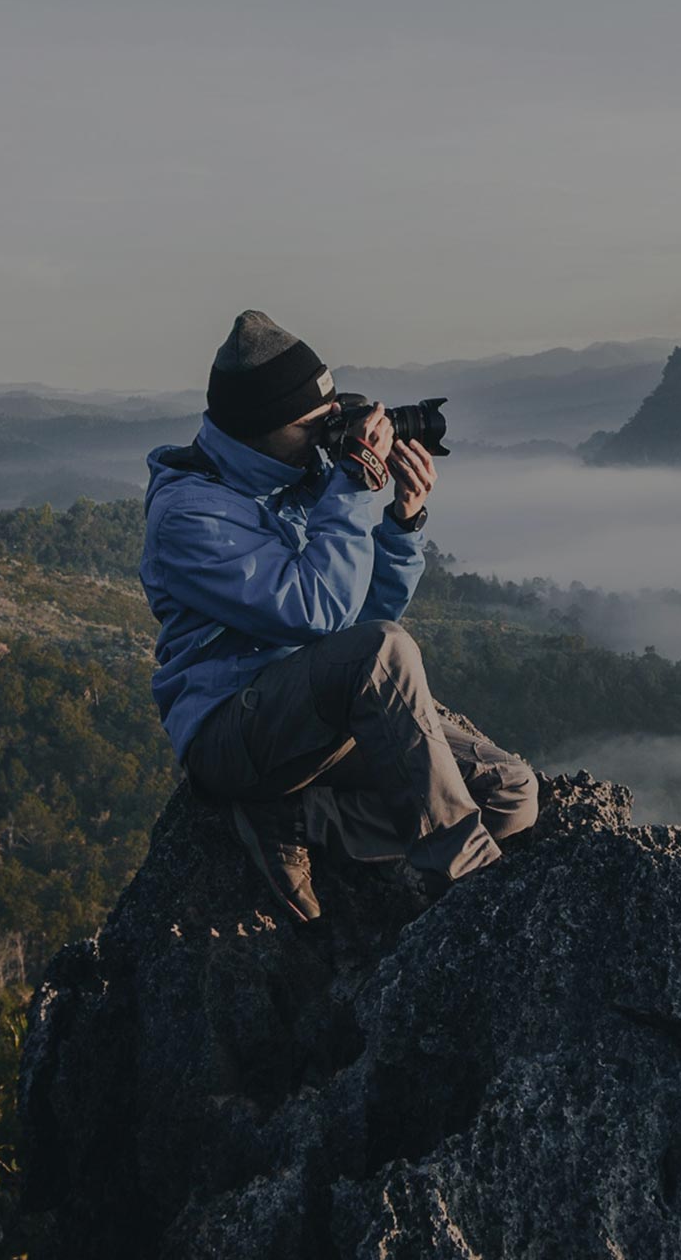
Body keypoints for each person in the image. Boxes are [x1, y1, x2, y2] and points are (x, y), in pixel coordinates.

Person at [140, 309, 538, 921]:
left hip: (314, 717)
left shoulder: (295, 479)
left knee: (511, 794)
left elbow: (357, 624)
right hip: (234, 733)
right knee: (386, 650)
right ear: (258, 428)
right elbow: (321, 615)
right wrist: (351, 485)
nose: (329, 436)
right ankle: (471, 888)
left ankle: (300, 817)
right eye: (314, 426)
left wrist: (403, 525)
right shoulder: (191, 516)